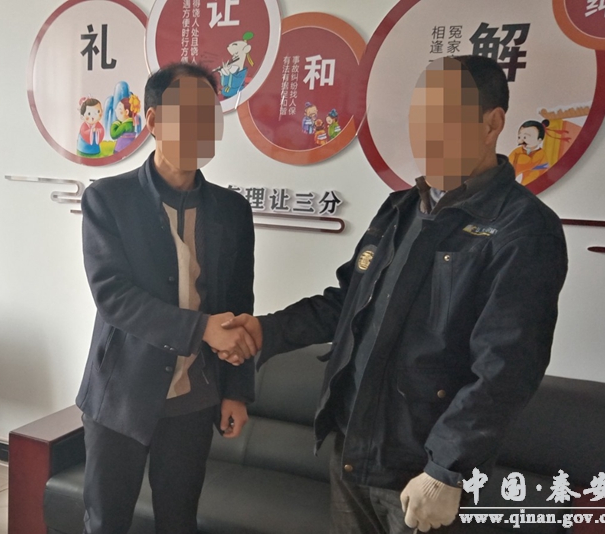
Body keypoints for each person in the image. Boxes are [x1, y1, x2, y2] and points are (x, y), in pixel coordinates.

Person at [221, 55, 568, 533]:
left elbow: (506, 367)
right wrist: (265, 330)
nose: (425, 132)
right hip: (352, 449)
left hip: (421, 472)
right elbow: (345, 303)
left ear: (491, 124)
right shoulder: (400, 209)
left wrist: (447, 469)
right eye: (419, 115)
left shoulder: (522, 229)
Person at [77, 62, 257, 534]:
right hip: (121, 395)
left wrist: (237, 391)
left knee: (179, 522)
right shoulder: (108, 200)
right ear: (154, 120)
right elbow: (113, 296)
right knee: (106, 522)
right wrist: (200, 328)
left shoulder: (232, 211)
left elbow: (241, 304)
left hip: (193, 400)